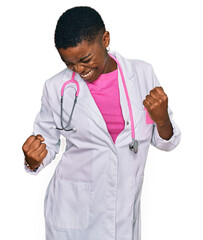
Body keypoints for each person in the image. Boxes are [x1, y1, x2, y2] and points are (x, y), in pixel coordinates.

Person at [22, 6, 181, 240]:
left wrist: (163, 119)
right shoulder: (56, 87)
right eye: (69, 63)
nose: (79, 69)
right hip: (71, 208)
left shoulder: (142, 74)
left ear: (105, 39)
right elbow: (46, 145)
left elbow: (166, 142)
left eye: (85, 59)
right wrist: (33, 159)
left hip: (123, 208)